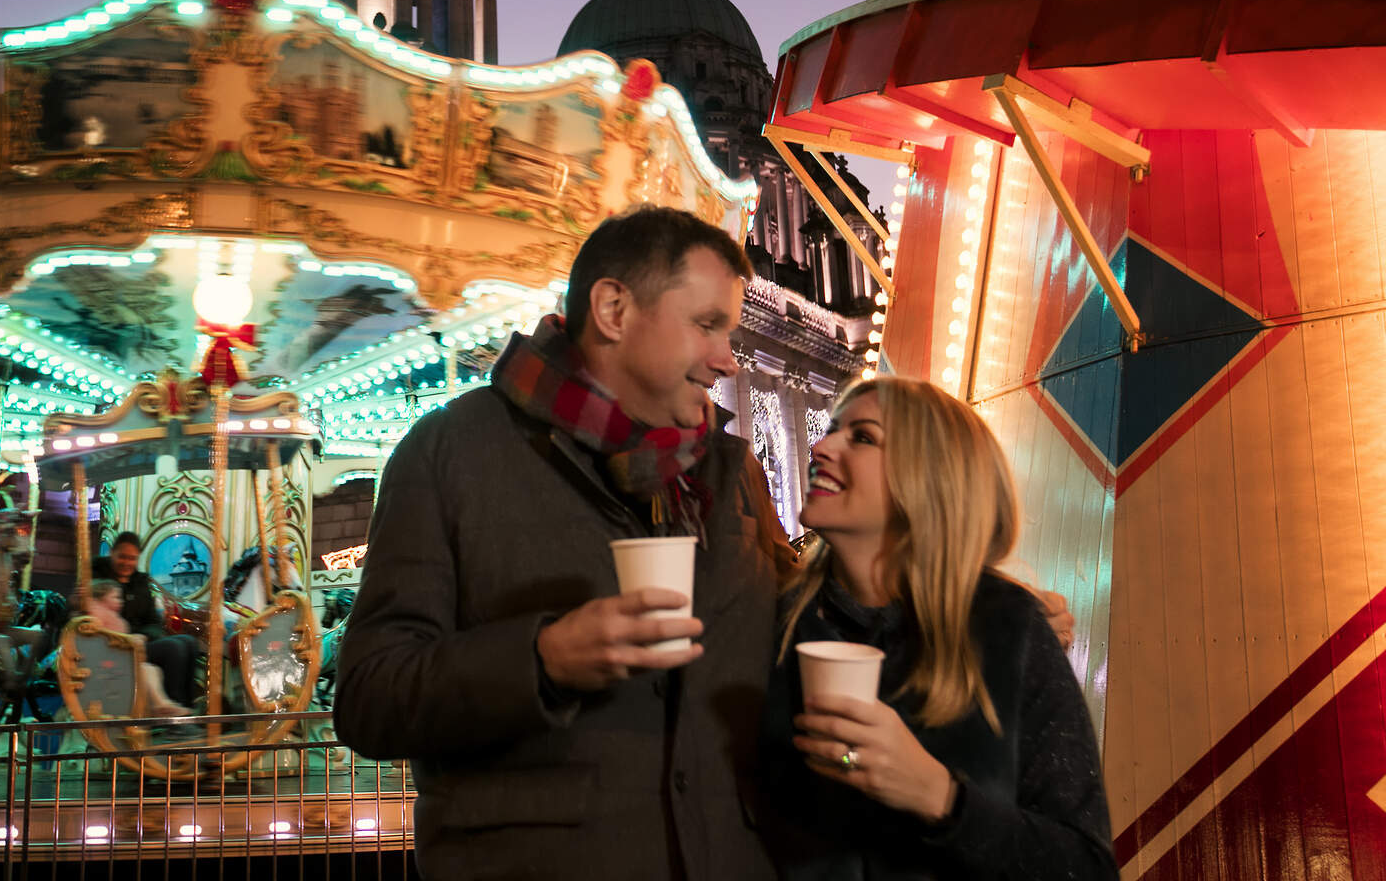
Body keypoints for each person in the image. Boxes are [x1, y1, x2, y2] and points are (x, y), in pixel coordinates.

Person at [335, 206, 796, 880]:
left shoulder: (728, 472)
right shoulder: (451, 453)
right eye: (707, 325)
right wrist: (543, 659)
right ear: (613, 309)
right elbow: (370, 696)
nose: (726, 361)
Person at [761, 377, 1115, 879]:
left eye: (862, 437)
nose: (819, 445)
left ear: (928, 479)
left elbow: (1088, 867)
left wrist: (941, 797)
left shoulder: (1011, 634)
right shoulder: (773, 625)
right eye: (833, 429)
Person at [91, 531, 203, 708]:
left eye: (132, 558)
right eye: (123, 557)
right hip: (115, 645)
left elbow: (152, 621)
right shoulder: (96, 579)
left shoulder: (140, 582)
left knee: (189, 642)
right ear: (112, 553)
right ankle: (173, 711)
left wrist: (146, 636)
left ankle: (187, 708)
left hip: (138, 641)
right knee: (175, 648)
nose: (127, 563)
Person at [81, 580, 191, 718]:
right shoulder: (96, 614)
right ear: (102, 597)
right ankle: (160, 705)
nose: (121, 601)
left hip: (115, 660)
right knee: (145, 670)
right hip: (104, 663)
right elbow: (104, 638)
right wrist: (130, 640)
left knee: (153, 670)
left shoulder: (114, 618)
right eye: (116, 597)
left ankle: (156, 706)